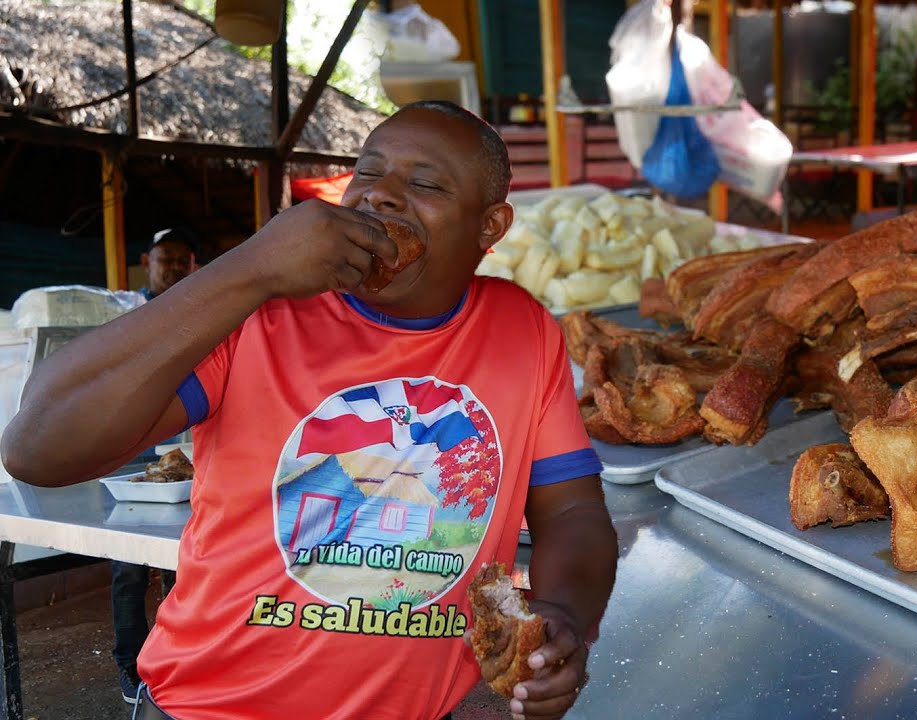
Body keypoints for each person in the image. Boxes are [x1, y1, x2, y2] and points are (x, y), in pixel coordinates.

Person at [1, 101, 619, 720]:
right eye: (368, 173)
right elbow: (37, 448)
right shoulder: (260, 314)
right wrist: (250, 269)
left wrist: (563, 617)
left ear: (491, 226)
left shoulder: (522, 331)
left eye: (425, 183)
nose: (382, 197)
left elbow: (571, 510)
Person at [112, 226, 199, 705]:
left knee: (183, 565)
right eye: (165, 259)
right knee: (128, 567)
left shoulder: (205, 312)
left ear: (193, 265)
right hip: (135, 453)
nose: (173, 267)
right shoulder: (127, 315)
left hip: (187, 456)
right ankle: (128, 662)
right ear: (146, 261)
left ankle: (172, 663)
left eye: (182, 260)